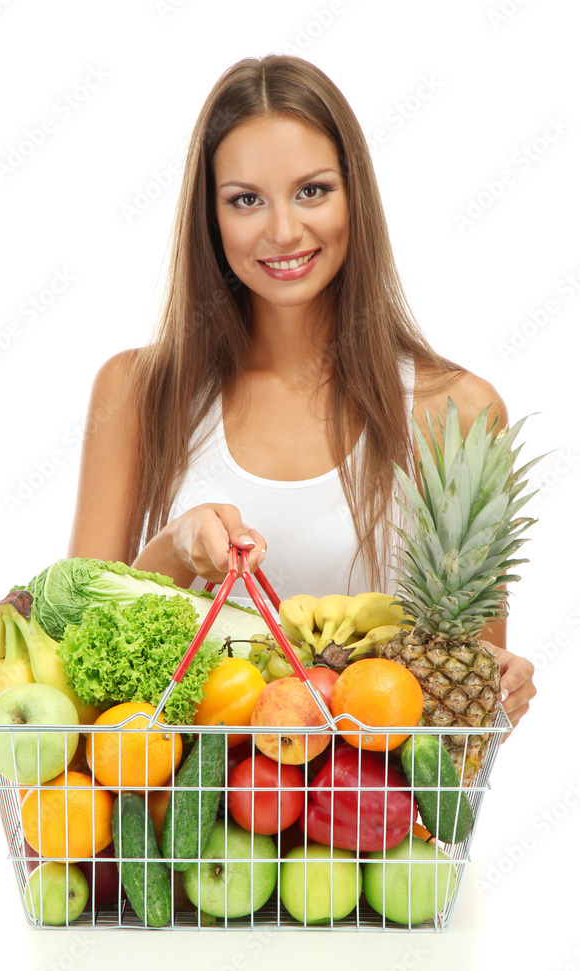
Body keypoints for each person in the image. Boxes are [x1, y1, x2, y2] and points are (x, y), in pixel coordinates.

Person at [66, 54, 535, 737]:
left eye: (312, 190)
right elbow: (69, 659)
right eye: (246, 199)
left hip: (370, 828)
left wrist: (502, 685)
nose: (283, 231)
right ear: (211, 216)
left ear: (355, 196)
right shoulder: (139, 392)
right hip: (171, 829)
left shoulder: (457, 411)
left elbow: (463, 719)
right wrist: (173, 546)